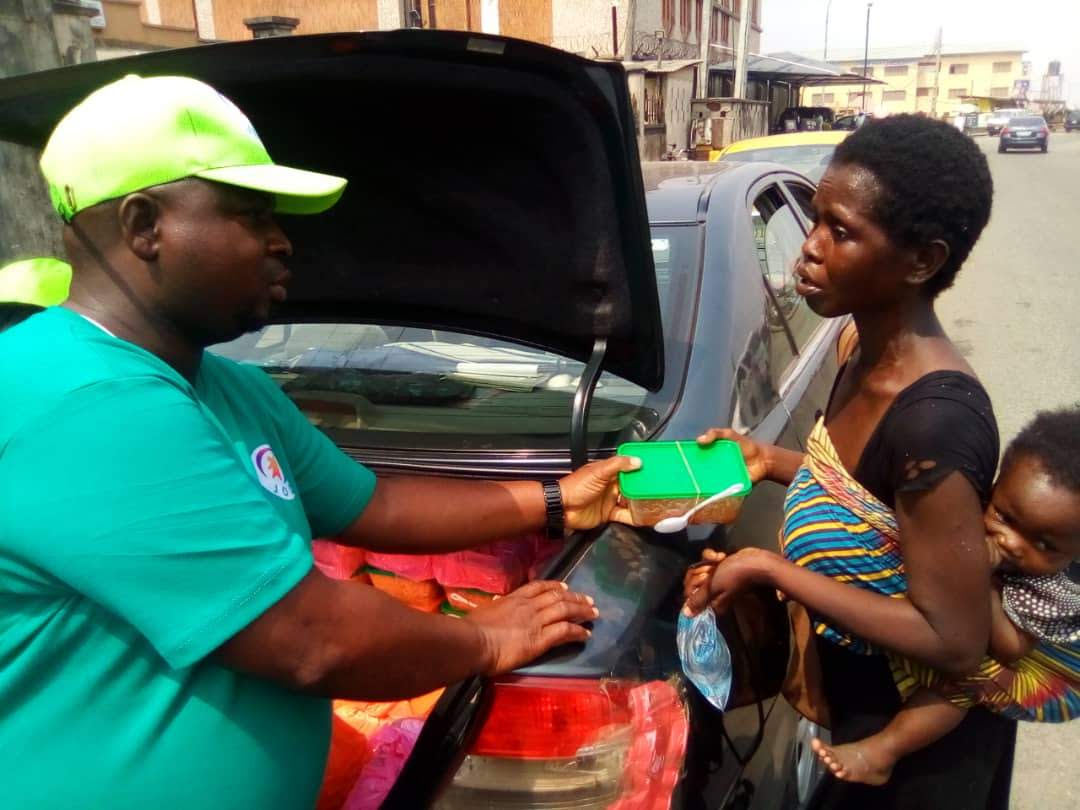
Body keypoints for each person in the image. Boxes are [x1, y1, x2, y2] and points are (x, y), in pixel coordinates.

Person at [0, 75, 640, 809]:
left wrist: (558, 499)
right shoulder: (82, 399)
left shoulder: (225, 386)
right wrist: (485, 642)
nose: (281, 242)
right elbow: (311, 639)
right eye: (250, 215)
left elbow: (375, 506)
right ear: (145, 226)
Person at [684, 114, 1014, 809]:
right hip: (859, 712)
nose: (809, 247)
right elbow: (866, 496)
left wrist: (772, 569)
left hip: (917, 753)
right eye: (815, 220)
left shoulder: (935, 423)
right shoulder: (858, 352)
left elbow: (954, 640)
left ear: (921, 262)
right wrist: (767, 459)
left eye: (840, 230)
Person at [809, 405, 1080, 785]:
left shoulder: (1053, 589)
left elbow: (1008, 647)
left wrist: (980, 577)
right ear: (993, 489)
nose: (1011, 543)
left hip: (1035, 683)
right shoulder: (968, 507)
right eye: (1004, 518)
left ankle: (882, 752)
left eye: (1044, 544)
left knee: (962, 680)